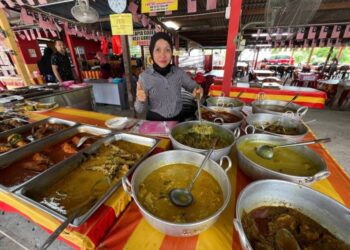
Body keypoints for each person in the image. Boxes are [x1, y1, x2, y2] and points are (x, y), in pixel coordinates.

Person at [134, 32, 202, 121]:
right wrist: (140, 100)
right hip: (155, 122)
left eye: (167, 50)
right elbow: (139, 110)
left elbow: (193, 86)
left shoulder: (178, 73)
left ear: (171, 52)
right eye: (158, 50)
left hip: (178, 120)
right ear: (152, 52)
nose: (163, 55)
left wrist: (198, 89)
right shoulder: (144, 77)